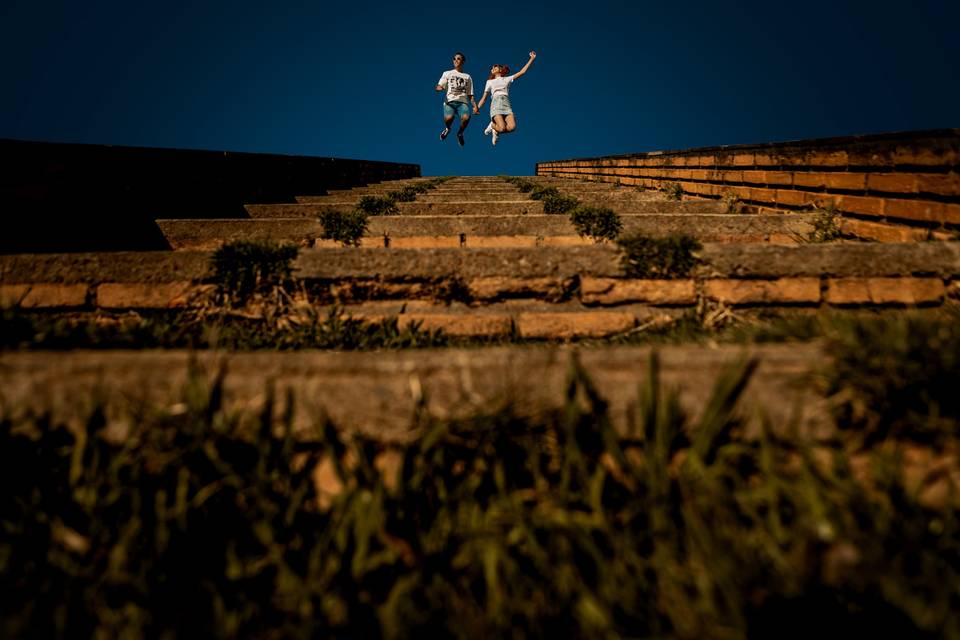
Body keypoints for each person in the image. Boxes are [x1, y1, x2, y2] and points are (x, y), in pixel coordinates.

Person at [476, 51, 536, 146]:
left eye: (495, 66)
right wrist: (477, 108)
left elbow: (522, 72)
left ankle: (493, 127)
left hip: (506, 104)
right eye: (492, 68)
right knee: (502, 128)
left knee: (512, 127)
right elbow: (484, 98)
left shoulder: (507, 79)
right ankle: (493, 126)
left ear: (500, 69)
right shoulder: (489, 82)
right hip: (496, 103)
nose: (493, 68)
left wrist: (531, 59)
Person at [435, 52, 478, 147]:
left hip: (462, 102)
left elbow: (470, 94)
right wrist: (439, 87)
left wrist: (475, 106)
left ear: (463, 61)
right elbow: (440, 84)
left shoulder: (467, 77)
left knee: (466, 118)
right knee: (449, 118)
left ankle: (460, 133)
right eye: (454, 59)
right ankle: (447, 129)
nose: (456, 60)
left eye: (458, 59)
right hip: (449, 101)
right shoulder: (447, 73)